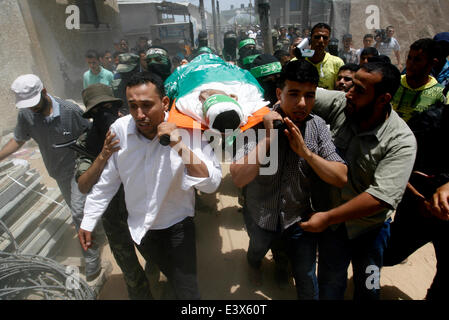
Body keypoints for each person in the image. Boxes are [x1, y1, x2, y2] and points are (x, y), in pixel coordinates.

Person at [78, 72, 222, 300]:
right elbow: (108, 181)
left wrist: (178, 144)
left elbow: (211, 184)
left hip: (177, 228)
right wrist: (88, 220)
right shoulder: (119, 130)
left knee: (188, 293)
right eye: (133, 106)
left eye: (147, 105)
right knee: (171, 277)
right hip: (141, 230)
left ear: (164, 102)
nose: (140, 115)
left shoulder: (187, 129)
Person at [230, 60, 347, 299]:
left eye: (309, 96)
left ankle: (282, 267)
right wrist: (270, 138)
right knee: (257, 250)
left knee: (304, 275)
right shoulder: (255, 124)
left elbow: (340, 177)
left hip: (297, 220)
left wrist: (307, 153)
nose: (302, 104)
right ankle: (254, 264)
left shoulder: (318, 127)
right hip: (260, 215)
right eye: (293, 94)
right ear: (278, 93)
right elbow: (239, 177)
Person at [300, 61, 417, 300]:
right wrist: (277, 106)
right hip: (334, 230)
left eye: (360, 90)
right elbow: (301, 91)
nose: (349, 93)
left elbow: (380, 198)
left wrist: (327, 217)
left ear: (383, 99)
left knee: (370, 285)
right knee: (330, 286)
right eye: (352, 85)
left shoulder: (401, 141)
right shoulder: (343, 104)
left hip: (371, 230)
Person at [1, 74, 103, 281]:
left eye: (34, 104)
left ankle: (92, 259)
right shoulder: (26, 115)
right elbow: (19, 140)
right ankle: (98, 232)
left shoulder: (70, 111)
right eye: (27, 106)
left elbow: (92, 134)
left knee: (77, 212)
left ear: (44, 92)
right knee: (82, 210)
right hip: (58, 171)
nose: (32, 109)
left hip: (78, 168)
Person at [74, 83, 152, 299]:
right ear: (91, 115)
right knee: (132, 274)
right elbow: (83, 185)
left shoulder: (134, 129)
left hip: (142, 211)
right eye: (97, 111)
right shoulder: (86, 142)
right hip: (113, 219)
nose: (104, 114)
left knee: (157, 260)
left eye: (108, 107)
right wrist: (103, 154)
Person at [383, 81, 449, 301]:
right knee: (386, 254)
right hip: (419, 207)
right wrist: (418, 197)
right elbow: (393, 162)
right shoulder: (430, 123)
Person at [391, 38, 448, 122]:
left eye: (417, 60)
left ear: (433, 63)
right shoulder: (392, 83)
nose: (410, 63)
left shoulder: (441, 94)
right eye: (409, 58)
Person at [305, 23, 344, 90]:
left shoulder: (337, 63)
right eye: (317, 37)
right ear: (311, 39)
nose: (321, 40)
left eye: (325, 38)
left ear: (328, 41)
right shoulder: (297, 61)